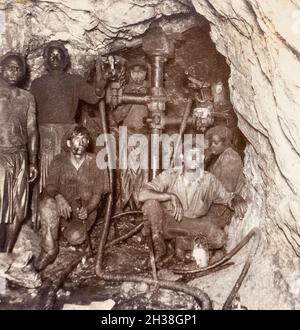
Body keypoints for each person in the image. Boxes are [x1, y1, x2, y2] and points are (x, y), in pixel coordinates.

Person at [139, 145, 247, 262]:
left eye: (198, 155)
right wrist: (171, 196)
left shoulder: (209, 180)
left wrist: (236, 199)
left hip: (191, 225)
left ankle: (181, 243)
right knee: (150, 204)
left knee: (219, 238)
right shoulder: (170, 175)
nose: (195, 158)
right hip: (166, 223)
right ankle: (160, 250)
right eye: (191, 155)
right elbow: (142, 194)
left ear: (202, 158)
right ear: (182, 158)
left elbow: (227, 197)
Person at [30, 40, 107, 192]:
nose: (55, 58)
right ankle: (45, 211)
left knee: (68, 176)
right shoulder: (37, 84)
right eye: (51, 55)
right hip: (46, 136)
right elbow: (31, 113)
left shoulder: (74, 81)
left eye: (59, 55)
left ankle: (70, 212)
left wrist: (100, 85)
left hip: (68, 135)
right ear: (45, 60)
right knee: (46, 175)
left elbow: (93, 97)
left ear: (65, 60)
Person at [33, 126, 110, 271]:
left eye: (85, 140)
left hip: (82, 213)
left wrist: (88, 209)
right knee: (46, 204)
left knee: (75, 238)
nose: (82, 143)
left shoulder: (96, 163)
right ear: (68, 143)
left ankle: (60, 231)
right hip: (61, 207)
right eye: (77, 139)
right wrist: (58, 196)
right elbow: (49, 186)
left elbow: (97, 196)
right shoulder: (59, 160)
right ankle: (49, 250)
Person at [0, 52, 38, 252]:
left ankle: (5, 253)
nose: (14, 72)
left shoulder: (27, 97)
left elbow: (32, 131)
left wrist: (32, 162)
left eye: (18, 69)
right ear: (1, 69)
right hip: (0, 156)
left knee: (19, 210)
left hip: (20, 156)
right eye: (10, 67)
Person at [112, 58, 149, 211]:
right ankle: (126, 205)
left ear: (146, 73)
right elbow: (116, 116)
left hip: (145, 136)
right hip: (127, 135)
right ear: (130, 73)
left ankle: (142, 206)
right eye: (135, 72)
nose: (138, 76)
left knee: (144, 171)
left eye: (141, 72)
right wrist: (131, 99)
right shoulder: (124, 90)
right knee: (126, 172)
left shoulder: (153, 89)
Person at [205, 125, 245, 229]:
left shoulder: (230, 158)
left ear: (226, 142)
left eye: (215, 143)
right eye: (210, 143)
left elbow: (226, 192)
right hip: (217, 207)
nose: (212, 146)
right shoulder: (221, 157)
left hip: (221, 213)